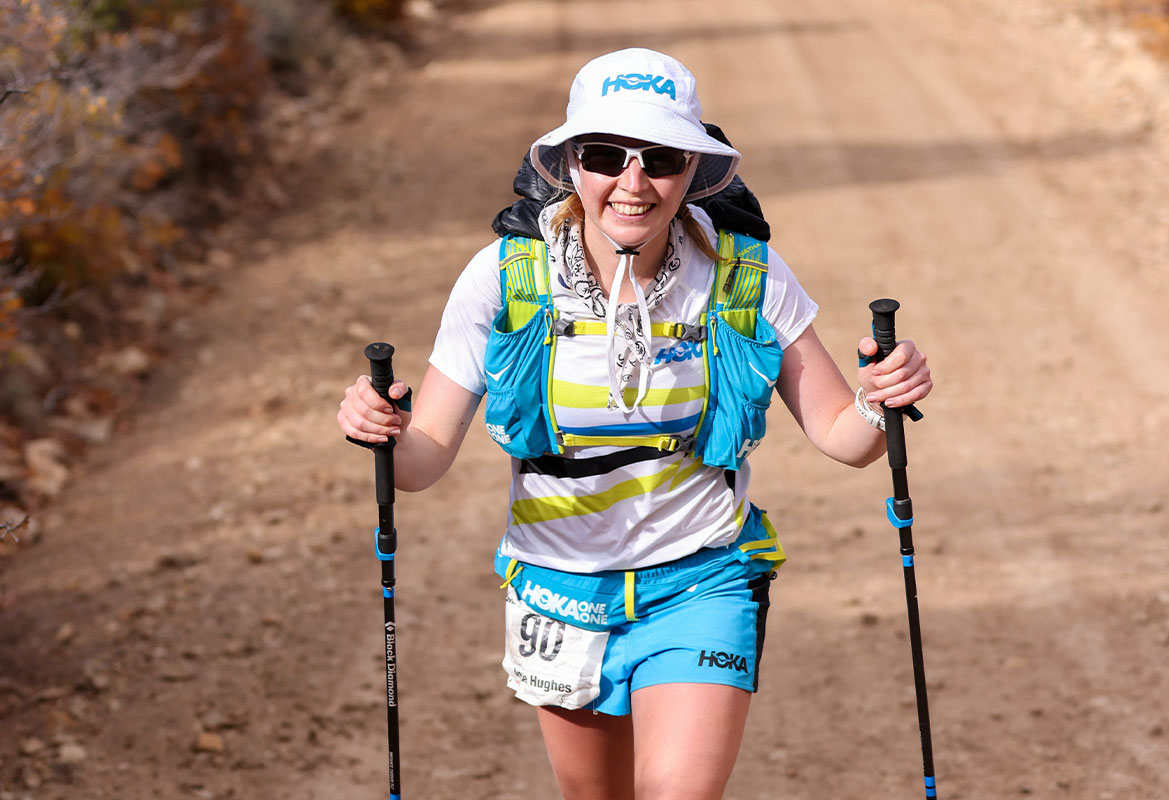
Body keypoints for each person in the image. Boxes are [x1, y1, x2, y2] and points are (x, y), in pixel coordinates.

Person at [338, 48, 932, 800]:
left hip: (702, 577)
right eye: (604, 156)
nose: (633, 181)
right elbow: (422, 461)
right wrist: (381, 429)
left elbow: (846, 437)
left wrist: (881, 398)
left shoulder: (745, 273)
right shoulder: (504, 277)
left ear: (692, 170)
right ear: (569, 164)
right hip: (558, 589)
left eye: (661, 158)